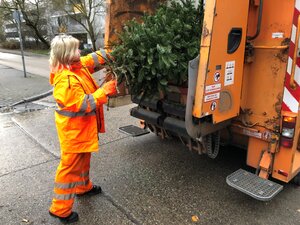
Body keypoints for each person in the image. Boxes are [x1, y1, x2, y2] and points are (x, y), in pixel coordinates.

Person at [48, 34, 117, 224]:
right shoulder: (66, 80)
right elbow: (83, 104)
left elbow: (95, 58)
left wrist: (115, 51)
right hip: (74, 134)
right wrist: (104, 91)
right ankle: (60, 209)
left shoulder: (77, 66)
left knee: (84, 160)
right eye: (76, 49)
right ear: (68, 54)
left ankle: (83, 187)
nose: (80, 52)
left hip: (82, 131)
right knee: (69, 169)